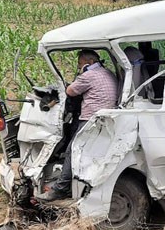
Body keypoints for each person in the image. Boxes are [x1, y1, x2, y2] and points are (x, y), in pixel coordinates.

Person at [36, 50, 118, 201]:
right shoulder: (109, 73)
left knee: (71, 151)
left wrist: (80, 74)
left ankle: (60, 189)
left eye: (80, 64)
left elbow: (70, 91)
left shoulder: (89, 75)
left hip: (90, 120)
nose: (79, 67)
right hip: (106, 119)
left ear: (90, 63)